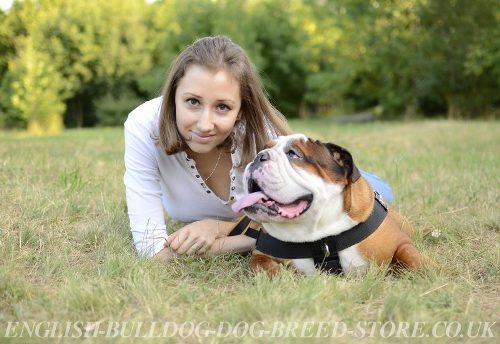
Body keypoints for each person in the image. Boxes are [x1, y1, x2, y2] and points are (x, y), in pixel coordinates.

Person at [123, 35, 393, 262]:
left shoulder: (261, 132)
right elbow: (153, 251)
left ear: (241, 110)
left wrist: (218, 228)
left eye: (223, 107)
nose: (205, 124)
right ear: (172, 96)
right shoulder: (143, 125)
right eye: (192, 101)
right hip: (257, 220)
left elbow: (303, 223)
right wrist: (244, 240)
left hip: (329, 188)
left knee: (378, 196)